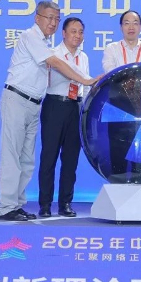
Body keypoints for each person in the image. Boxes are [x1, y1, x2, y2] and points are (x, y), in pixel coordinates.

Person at [0, 1, 98, 222]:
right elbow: (55, 63)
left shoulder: (47, 44)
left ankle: (17, 205)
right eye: (49, 18)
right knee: (12, 155)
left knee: (26, 159)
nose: (52, 22)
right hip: (18, 99)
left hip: (35, 103)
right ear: (37, 18)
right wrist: (86, 80)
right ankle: (5, 207)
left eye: (56, 19)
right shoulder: (31, 37)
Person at [37, 17, 91, 218]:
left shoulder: (84, 57)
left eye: (81, 32)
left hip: (75, 107)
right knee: (49, 156)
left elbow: (85, 86)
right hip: (55, 106)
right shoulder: (53, 54)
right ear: (64, 33)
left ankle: (65, 203)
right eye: (73, 31)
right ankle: (45, 204)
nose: (77, 35)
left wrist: (85, 109)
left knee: (70, 159)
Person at [101, 10, 141, 181]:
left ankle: (139, 186)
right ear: (121, 27)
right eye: (126, 23)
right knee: (117, 149)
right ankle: (118, 187)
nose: (131, 27)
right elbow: (110, 72)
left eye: (135, 23)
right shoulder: (112, 49)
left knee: (140, 153)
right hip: (118, 106)